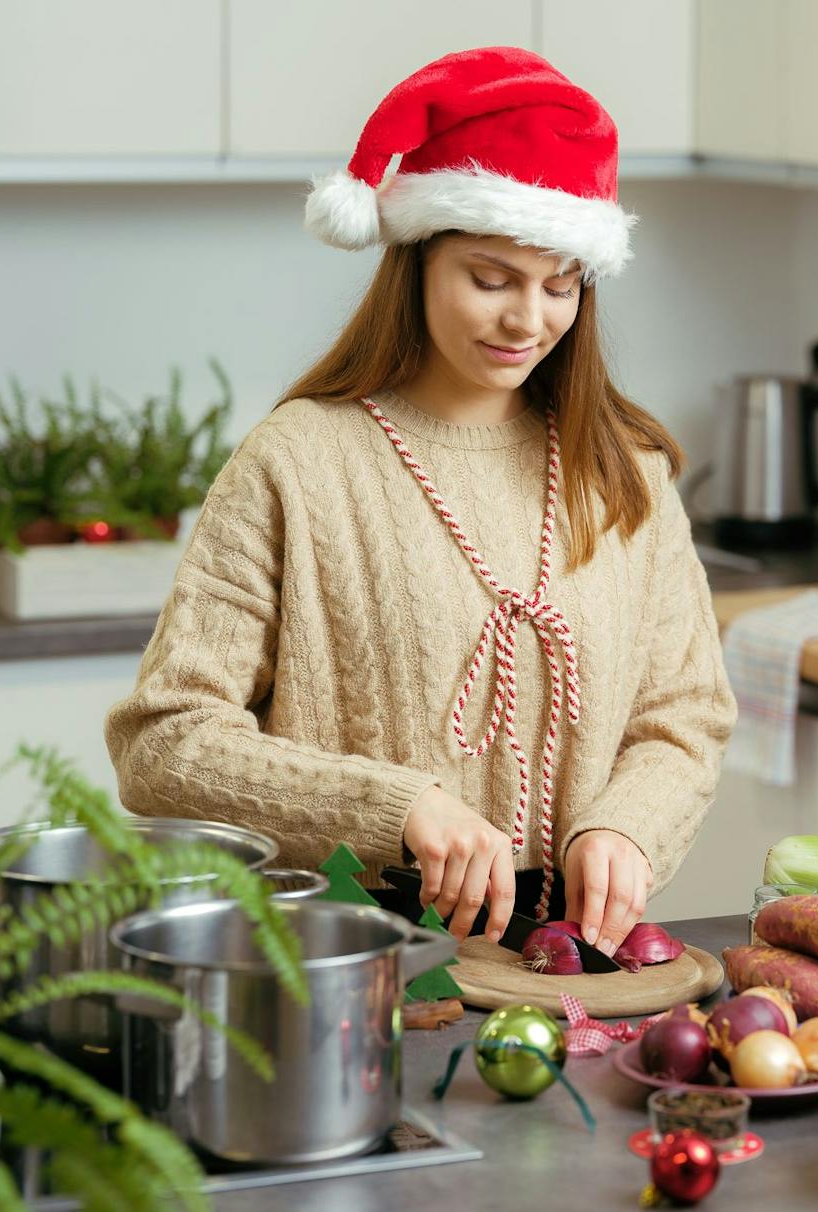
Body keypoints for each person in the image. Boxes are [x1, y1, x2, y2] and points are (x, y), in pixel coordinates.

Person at [105, 47, 736, 957]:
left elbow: (684, 715)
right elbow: (163, 743)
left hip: (573, 965)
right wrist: (398, 809)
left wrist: (627, 826)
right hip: (344, 964)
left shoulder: (625, 471)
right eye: (491, 279)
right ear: (417, 259)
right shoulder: (299, 462)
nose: (529, 319)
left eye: (560, 285)